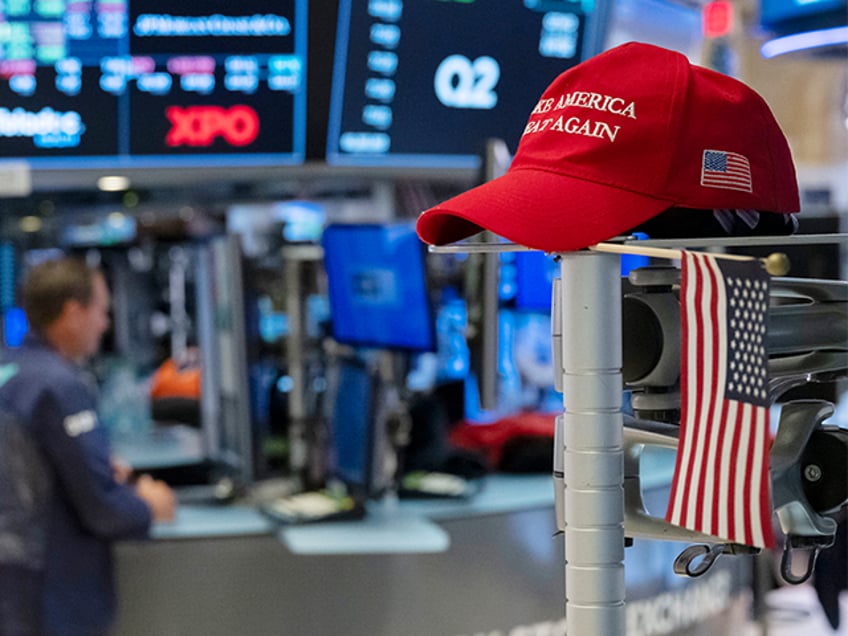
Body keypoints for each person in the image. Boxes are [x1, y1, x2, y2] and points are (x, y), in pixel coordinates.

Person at [0, 256, 177, 636]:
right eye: (100, 310)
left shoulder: (10, 371)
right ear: (72, 312)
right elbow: (100, 507)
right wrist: (148, 507)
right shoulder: (59, 386)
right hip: (47, 594)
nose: (105, 323)